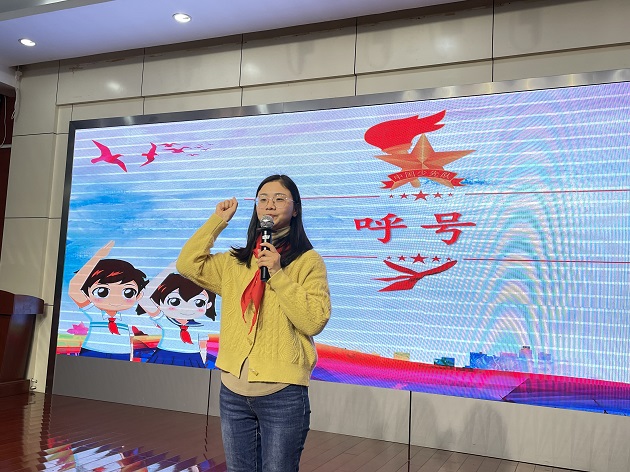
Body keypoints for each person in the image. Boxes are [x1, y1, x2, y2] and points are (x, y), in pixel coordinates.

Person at [176, 174, 331, 472]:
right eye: (263, 199)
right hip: (233, 392)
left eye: (279, 199)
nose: (269, 205)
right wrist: (217, 222)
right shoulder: (235, 262)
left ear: (295, 209)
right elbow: (187, 264)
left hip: (283, 394)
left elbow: (314, 320)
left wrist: (278, 274)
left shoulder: (308, 261)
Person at [68, 240, 148, 361]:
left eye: (128, 292)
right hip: (93, 351)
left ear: (138, 295)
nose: (115, 299)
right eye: (102, 291)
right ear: (87, 292)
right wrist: (97, 257)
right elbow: (74, 288)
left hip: (122, 354)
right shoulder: (94, 312)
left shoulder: (128, 316)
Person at [136, 263, 217, 368]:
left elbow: (203, 346)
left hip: (193, 358)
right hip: (164, 355)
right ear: (159, 302)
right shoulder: (164, 320)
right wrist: (170, 269)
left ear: (208, 304)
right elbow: (143, 298)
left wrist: (202, 364)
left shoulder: (200, 327)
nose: (187, 308)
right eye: (174, 301)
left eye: (199, 303)